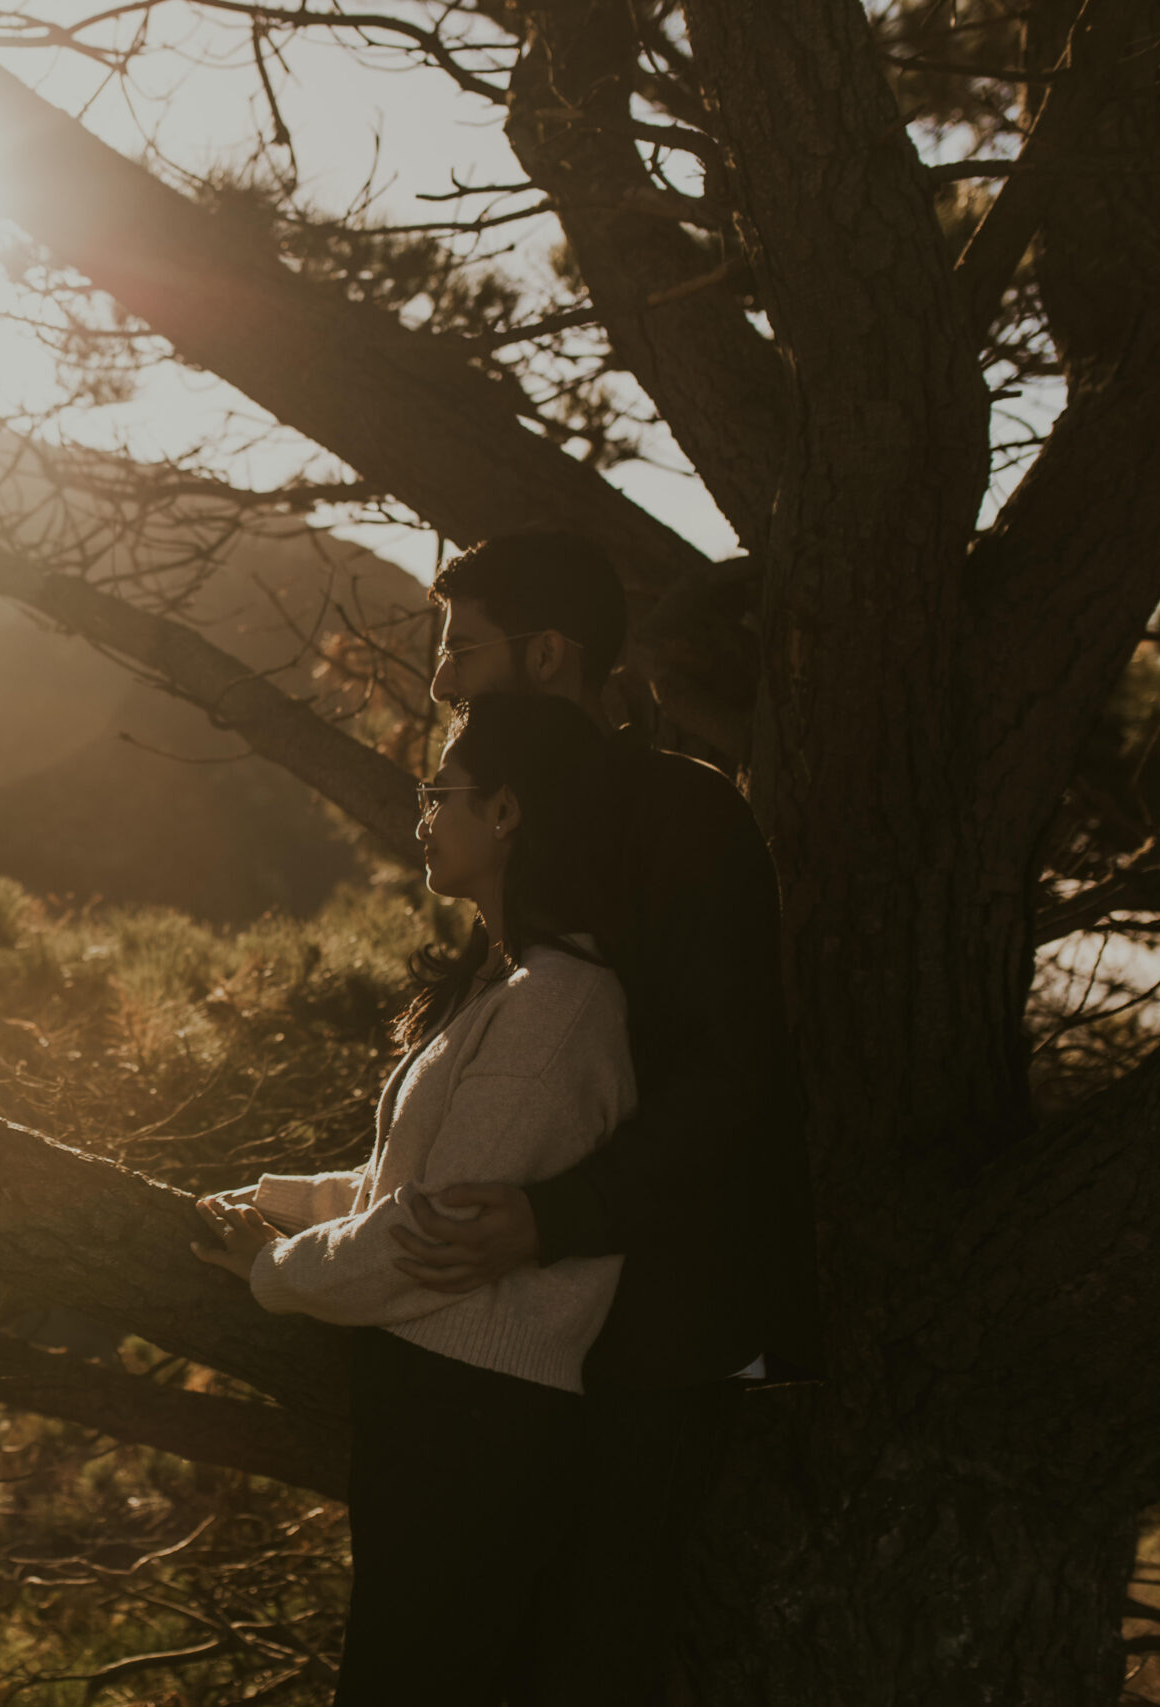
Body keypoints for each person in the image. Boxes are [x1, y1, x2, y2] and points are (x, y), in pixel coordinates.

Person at [395, 530, 820, 1702]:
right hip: (499, 1341)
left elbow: (734, 1080)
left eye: (463, 650)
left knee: (580, 1665)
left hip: (647, 1344)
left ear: (546, 652)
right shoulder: (503, 828)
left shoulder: (680, 818)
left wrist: (558, 1215)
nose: (441, 681)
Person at [192, 692, 635, 1707]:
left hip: (480, 1434)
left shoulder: (557, 1006)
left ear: (508, 812)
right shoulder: (510, 988)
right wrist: (281, 1202)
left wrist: (270, 1270)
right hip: (443, 1419)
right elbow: (409, 1187)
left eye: (440, 792)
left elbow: (423, 1237)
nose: (423, 814)